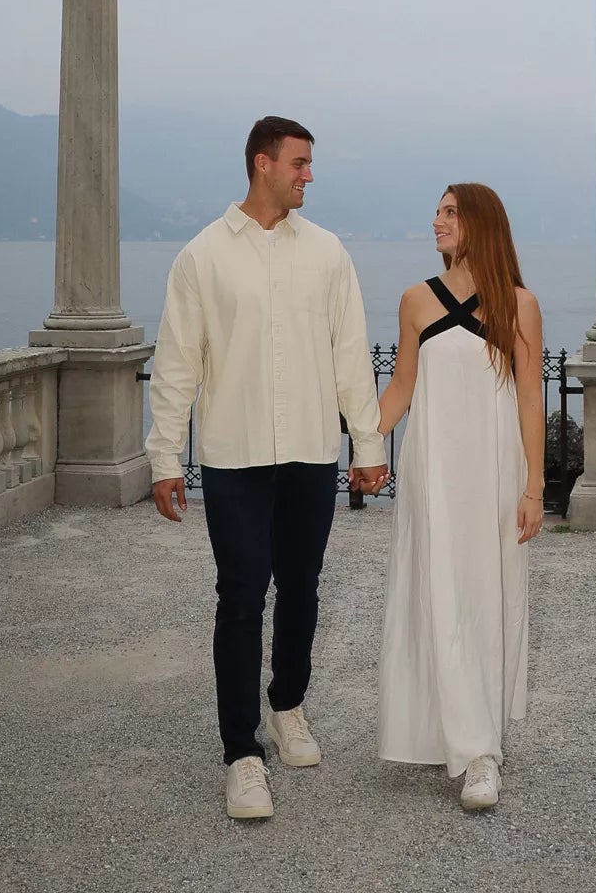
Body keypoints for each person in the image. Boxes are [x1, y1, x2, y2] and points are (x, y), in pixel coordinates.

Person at [145, 116, 388, 821]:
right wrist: (165, 457)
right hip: (233, 456)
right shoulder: (201, 257)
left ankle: (287, 707)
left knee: (303, 588)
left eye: (308, 164)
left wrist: (366, 447)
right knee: (241, 596)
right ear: (262, 164)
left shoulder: (327, 252)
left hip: (312, 451)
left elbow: (349, 356)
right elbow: (177, 366)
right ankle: (240, 755)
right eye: (299, 163)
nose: (308, 175)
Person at [375, 182, 545, 811]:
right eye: (437, 212)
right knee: (437, 591)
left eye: (450, 212)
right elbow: (401, 386)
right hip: (433, 476)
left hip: (494, 475)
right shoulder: (416, 300)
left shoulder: (519, 306)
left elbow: (531, 398)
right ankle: (462, 741)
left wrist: (534, 488)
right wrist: (362, 438)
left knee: (484, 595)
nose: (437, 220)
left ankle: (480, 748)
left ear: (480, 224)